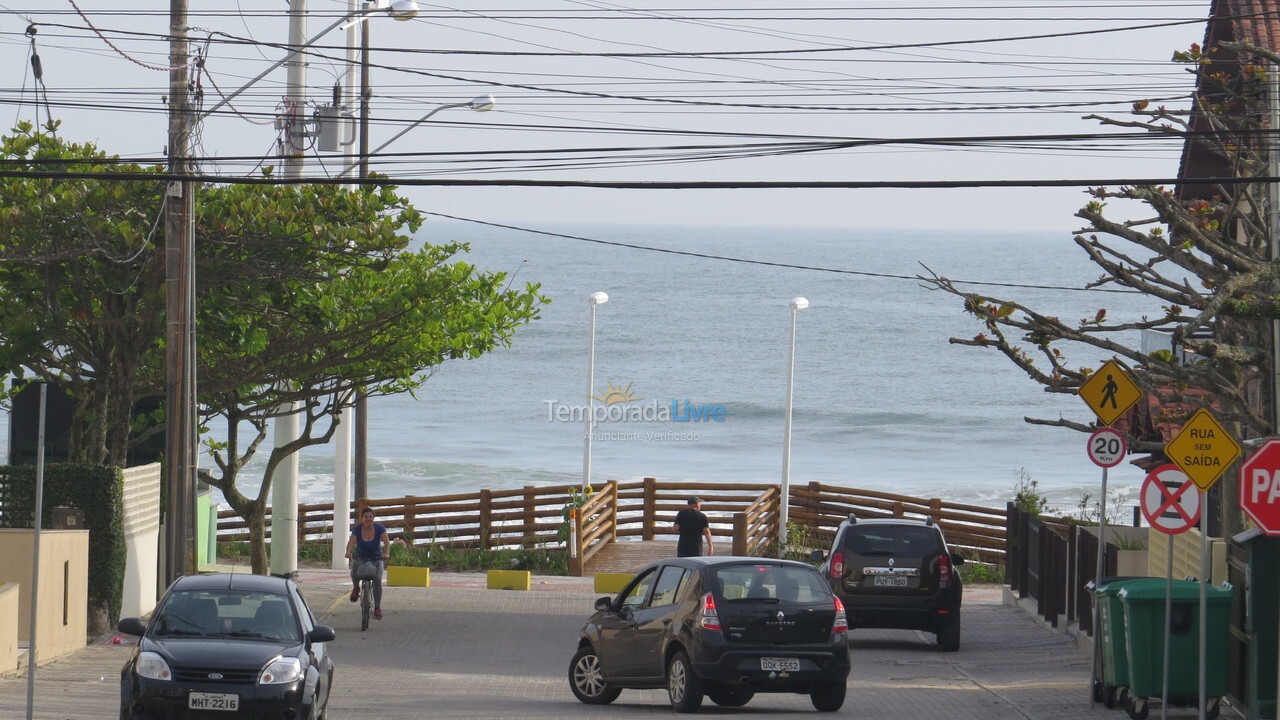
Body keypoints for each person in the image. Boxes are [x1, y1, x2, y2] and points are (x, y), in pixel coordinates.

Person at [344, 507, 391, 620]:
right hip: (361, 557)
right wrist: (348, 552)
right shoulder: (357, 529)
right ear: (362, 518)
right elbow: (351, 542)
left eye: (370, 517)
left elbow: (387, 542)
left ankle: (377, 608)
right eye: (366, 517)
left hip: (376, 558)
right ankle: (356, 588)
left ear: (373, 518)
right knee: (354, 566)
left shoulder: (379, 528)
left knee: (378, 580)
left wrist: (386, 553)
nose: (368, 519)